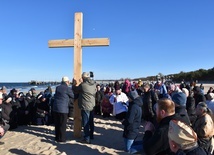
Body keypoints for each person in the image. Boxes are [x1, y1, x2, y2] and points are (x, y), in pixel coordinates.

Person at [72, 72, 96, 144]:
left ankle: (87, 138)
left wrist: (75, 83)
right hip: (92, 105)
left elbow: (75, 89)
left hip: (85, 106)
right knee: (91, 121)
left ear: (83, 78)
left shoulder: (83, 85)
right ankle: (91, 135)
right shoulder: (94, 84)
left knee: (85, 122)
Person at [53, 76, 74, 143]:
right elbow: (73, 96)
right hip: (63, 108)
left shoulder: (57, 88)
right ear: (67, 82)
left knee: (57, 124)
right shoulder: (67, 89)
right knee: (62, 124)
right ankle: (62, 139)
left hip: (56, 107)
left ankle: (57, 137)